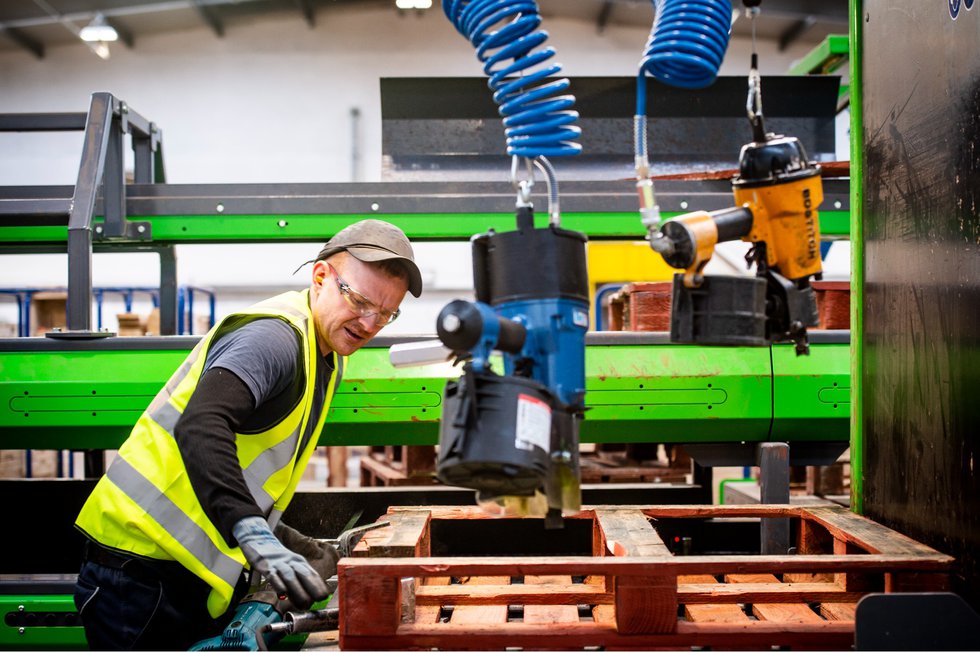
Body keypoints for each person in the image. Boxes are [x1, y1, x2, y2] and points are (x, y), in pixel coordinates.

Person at [73, 219, 422, 650]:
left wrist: (281, 537)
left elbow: (248, 464)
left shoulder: (326, 352)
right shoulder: (274, 338)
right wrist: (249, 529)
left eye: (386, 313)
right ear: (320, 278)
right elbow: (201, 425)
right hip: (138, 573)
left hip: (178, 572)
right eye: (361, 301)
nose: (370, 323)